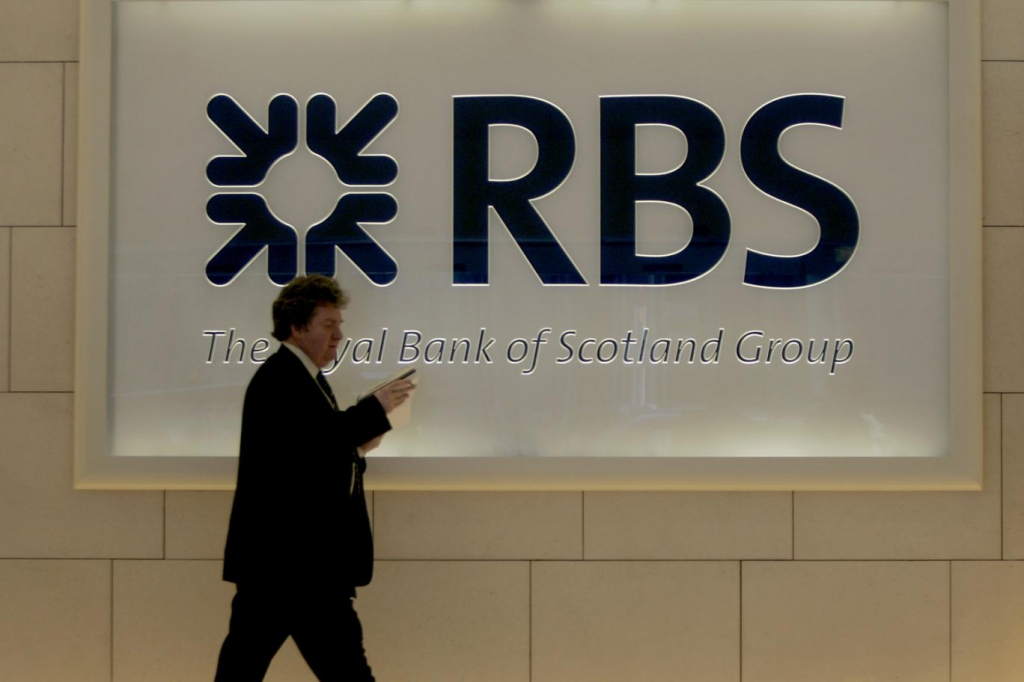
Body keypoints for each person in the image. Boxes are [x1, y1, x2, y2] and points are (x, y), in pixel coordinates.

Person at [214, 275, 414, 682]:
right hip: (298, 565)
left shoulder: (297, 377)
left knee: (246, 667)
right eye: (328, 325)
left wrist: (357, 447)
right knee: (344, 672)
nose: (340, 335)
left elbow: (303, 457)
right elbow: (313, 446)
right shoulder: (282, 378)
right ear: (296, 325)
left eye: (339, 325)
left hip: (289, 565)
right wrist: (372, 411)